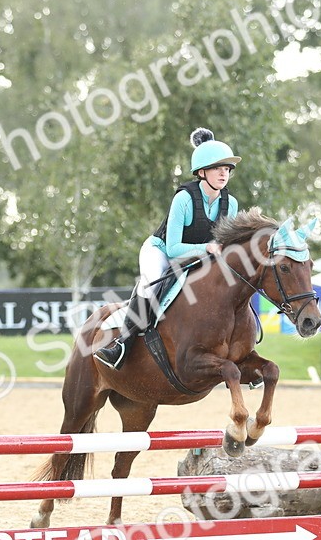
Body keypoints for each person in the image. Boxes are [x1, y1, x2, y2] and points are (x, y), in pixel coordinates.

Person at [95, 127, 240, 370]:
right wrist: (208, 247)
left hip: (200, 256)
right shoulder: (184, 198)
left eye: (227, 169)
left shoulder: (231, 203)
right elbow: (173, 249)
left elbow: (224, 247)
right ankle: (122, 345)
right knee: (152, 283)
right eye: (217, 168)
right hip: (161, 250)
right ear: (202, 172)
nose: (223, 174)